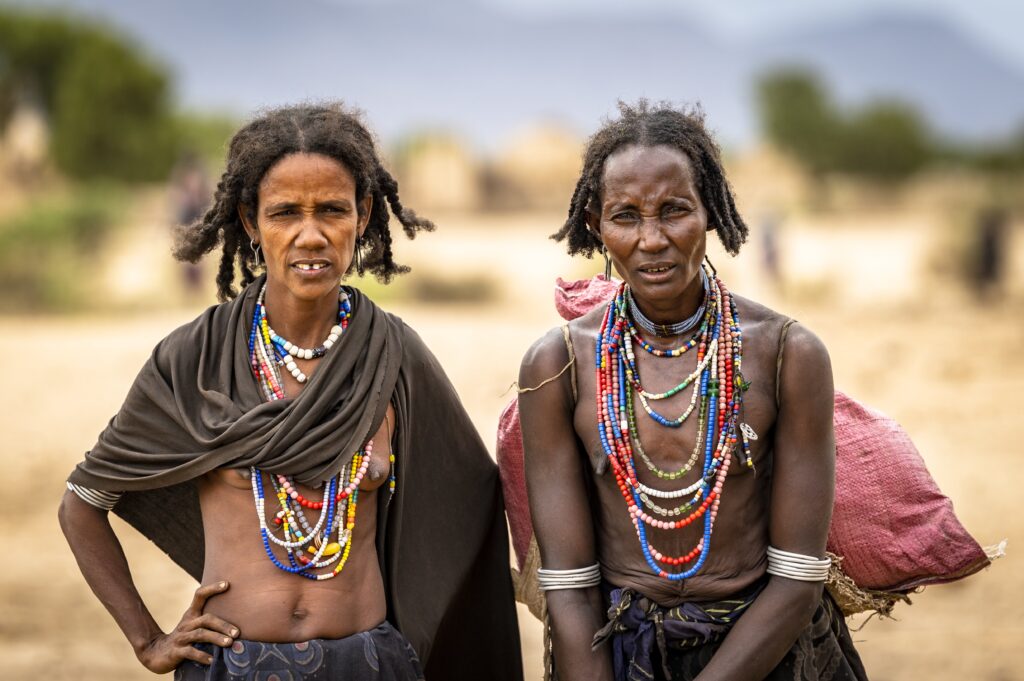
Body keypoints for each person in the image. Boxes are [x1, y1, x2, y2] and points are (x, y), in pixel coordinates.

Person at [59, 103, 522, 681]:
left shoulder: (392, 356)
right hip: (232, 665)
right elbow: (83, 502)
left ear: (364, 215)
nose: (312, 235)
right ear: (251, 222)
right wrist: (148, 639)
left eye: (332, 210)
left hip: (368, 662)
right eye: (284, 213)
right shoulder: (195, 358)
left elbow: (470, 500)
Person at [517, 101, 867, 681]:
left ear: (709, 212)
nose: (651, 239)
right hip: (618, 652)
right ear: (593, 226)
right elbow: (570, 586)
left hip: (766, 652)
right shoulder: (559, 365)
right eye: (625, 216)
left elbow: (799, 578)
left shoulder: (787, 354)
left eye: (673, 211)